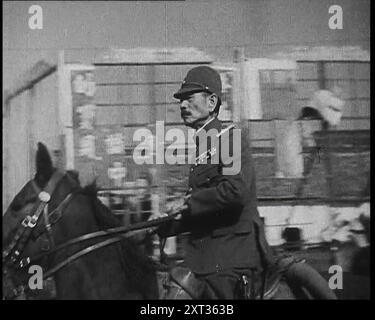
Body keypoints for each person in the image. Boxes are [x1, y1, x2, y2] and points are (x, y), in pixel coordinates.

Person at [149, 66, 275, 299]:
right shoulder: (203, 146)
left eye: (189, 98)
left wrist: (187, 203)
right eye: (181, 101)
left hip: (230, 259)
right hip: (204, 259)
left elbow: (235, 192)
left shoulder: (231, 138)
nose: (182, 105)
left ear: (211, 102)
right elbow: (207, 213)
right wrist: (168, 224)